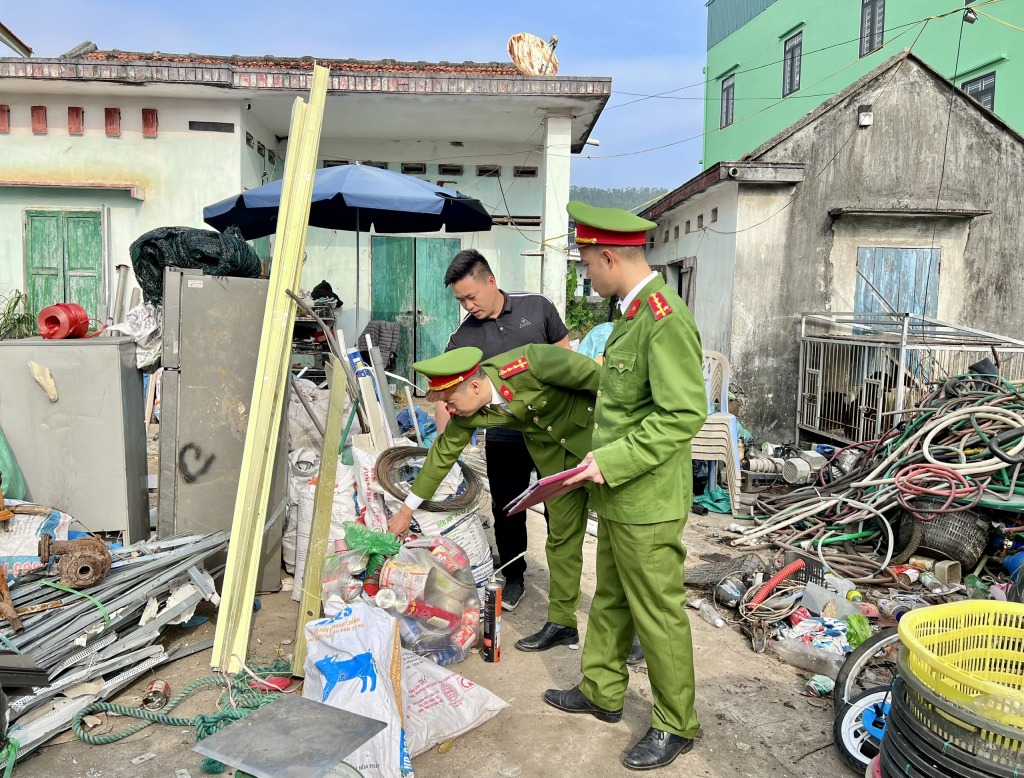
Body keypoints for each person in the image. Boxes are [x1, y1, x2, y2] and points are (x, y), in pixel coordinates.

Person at [543, 202, 708, 771]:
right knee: (611, 596)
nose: (587, 274)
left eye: (589, 263)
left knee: (657, 612)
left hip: (647, 499)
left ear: (610, 257)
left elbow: (682, 413)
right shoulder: (631, 316)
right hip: (617, 492)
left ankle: (675, 723)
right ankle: (601, 689)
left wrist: (612, 460)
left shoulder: (664, 318)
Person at [387, 344, 598, 651]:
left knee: (624, 543)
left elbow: (603, 383)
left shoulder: (533, 363)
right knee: (562, 541)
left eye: (450, 401)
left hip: (602, 449)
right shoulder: (469, 414)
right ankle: (563, 623)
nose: (448, 410)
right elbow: (440, 457)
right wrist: (406, 511)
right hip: (558, 464)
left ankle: (633, 629)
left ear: (474, 387)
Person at [434, 249, 570, 612]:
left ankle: (564, 581)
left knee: (560, 507)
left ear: (491, 282)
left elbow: (566, 359)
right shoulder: (464, 337)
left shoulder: (536, 308)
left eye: (471, 296)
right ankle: (514, 575)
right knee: (507, 508)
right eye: (460, 301)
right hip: (504, 431)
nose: (468, 306)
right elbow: (445, 396)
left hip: (550, 430)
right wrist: (446, 448)